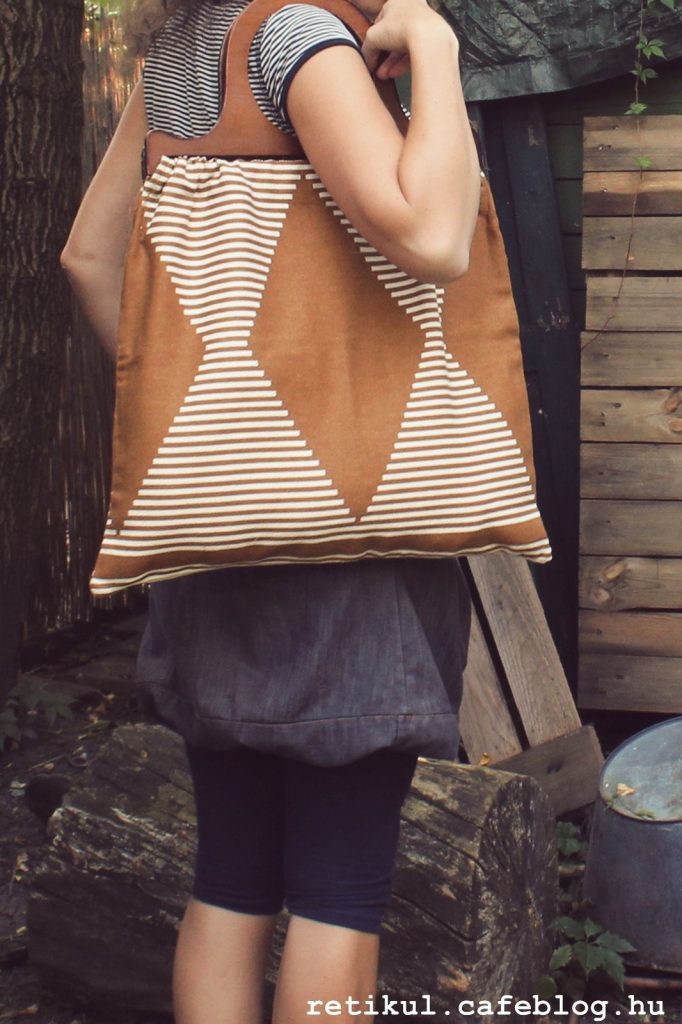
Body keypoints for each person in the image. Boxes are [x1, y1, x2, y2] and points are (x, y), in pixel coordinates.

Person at [61, 0, 481, 1020]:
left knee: (232, 874)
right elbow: (435, 236)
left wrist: (205, 422)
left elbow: (88, 257)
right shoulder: (301, 39)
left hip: (216, 539)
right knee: (341, 887)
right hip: (343, 542)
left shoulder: (180, 50)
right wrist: (434, 44)